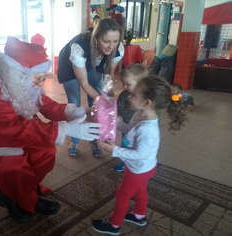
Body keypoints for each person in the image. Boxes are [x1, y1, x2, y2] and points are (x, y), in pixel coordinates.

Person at [0, 36, 101, 224]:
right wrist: (64, 129)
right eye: (37, 77)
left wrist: (70, 112)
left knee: (46, 151)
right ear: (20, 73)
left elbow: (40, 100)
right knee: (12, 163)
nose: (39, 81)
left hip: (12, 125)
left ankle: (15, 195)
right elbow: (15, 128)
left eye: (41, 76)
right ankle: (25, 199)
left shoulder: (28, 77)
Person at [91, 75, 187, 235]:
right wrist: (115, 122)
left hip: (139, 168)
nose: (129, 96)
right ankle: (139, 216)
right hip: (141, 167)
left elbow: (141, 153)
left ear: (147, 102)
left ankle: (114, 226)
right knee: (141, 190)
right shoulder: (141, 114)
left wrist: (114, 150)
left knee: (122, 195)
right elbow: (131, 131)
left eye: (134, 94)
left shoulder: (148, 129)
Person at [57, 18, 124, 158]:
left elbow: (108, 72)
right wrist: (102, 98)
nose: (111, 46)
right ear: (96, 38)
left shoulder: (117, 49)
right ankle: (74, 140)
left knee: (95, 105)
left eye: (115, 41)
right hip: (69, 68)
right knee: (74, 103)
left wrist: (108, 93)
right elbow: (84, 83)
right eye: (106, 41)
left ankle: (94, 139)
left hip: (93, 65)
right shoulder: (79, 47)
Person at [109, 64, 148, 172]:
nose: (125, 87)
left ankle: (135, 162)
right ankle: (124, 162)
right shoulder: (124, 94)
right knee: (126, 144)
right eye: (123, 84)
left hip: (138, 126)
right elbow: (119, 107)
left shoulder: (146, 97)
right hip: (126, 125)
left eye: (128, 84)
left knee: (138, 145)